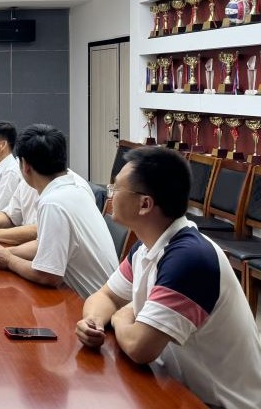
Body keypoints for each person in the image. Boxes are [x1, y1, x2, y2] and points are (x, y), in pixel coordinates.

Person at [76, 146, 261, 408]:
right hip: (175, 385)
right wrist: (93, 321)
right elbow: (106, 295)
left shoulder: (190, 258)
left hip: (216, 403)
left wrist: (118, 317)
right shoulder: (148, 246)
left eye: (116, 188)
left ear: (145, 204)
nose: (111, 194)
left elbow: (140, 348)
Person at [0, 124, 117, 298]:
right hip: (99, 296)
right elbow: (43, 244)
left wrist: (8, 260)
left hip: (89, 304)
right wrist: (4, 253)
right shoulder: (71, 187)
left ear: (25, 166)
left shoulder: (53, 202)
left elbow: (47, 275)